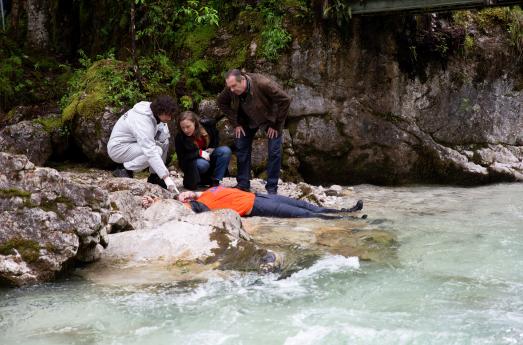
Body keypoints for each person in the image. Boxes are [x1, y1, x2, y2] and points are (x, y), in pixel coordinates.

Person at [217, 69, 291, 195]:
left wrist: (276, 125)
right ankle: (243, 184)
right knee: (241, 148)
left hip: (270, 119)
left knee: (274, 151)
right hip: (245, 120)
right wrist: (236, 123)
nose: (231, 90)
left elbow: (285, 100)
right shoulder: (231, 87)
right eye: (229, 87)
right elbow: (221, 102)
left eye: (234, 86)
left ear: (243, 80)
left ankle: (272, 188)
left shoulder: (263, 83)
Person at [142, 186, 364, 219]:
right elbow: (175, 209)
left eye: (184, 194)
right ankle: (344, 220)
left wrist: (193, 192)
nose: (184, 196)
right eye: (181, 198)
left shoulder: (205, 192)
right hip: (254, 207)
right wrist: (156, 201)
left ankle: (345, 211)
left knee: (306, 205)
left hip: (259, 196)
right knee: (303, 215)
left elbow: (188, 196)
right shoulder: (196, 207)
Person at [107, 95, 179, 193]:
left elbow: (162, 138)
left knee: (164, 141)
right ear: (159, 111)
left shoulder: (154, 113)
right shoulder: (142, 120)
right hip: (118, 148)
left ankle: (155, 177)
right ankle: (124, 169)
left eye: (171, 115)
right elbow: (150, 150)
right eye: (168, 114)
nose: (170, 118)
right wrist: (166, 178)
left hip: (133, 144)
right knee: (156, 151)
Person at [175, 111, 232, 190]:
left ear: (194, 122)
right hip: (193, 164)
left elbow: (215, 135)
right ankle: (199, 181)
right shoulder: (180, 137)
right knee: (203, 164)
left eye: (188, 126)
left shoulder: (206, 126)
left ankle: (215, 181)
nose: (185, 130)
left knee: (225, 151)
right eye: (183, 128)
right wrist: (199, 153)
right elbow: (182, 159)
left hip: (209, 156)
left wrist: (213, 148)